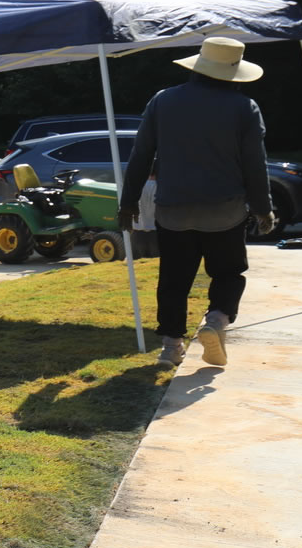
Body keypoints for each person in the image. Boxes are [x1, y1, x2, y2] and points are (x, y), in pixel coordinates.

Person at [118, 36, 275, 370]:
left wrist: (128, 202)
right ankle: (216, 320)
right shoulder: (244, 107)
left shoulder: (162, 100)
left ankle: (171, 347)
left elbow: (141, 155)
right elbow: (254, 164)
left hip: (173, 209)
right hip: (225, 210)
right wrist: (263, 208)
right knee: (228, 273)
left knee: (173, 280)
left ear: (198, 67)